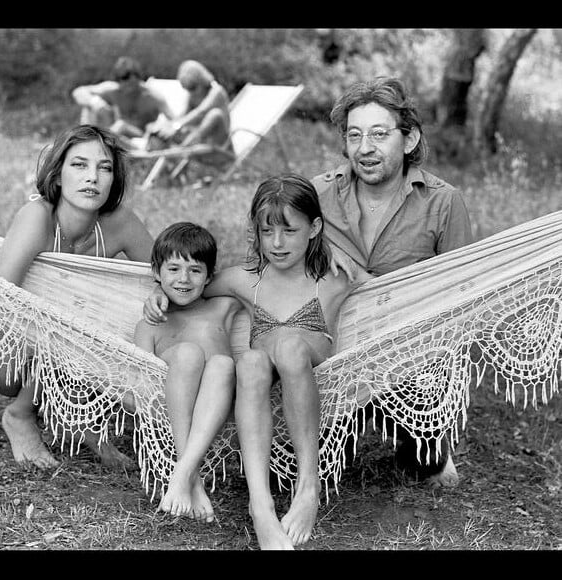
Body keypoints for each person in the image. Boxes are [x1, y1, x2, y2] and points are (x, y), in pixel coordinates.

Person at [144, 174, 368, 549]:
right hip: (261, 377)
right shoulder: (244, 280)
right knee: (248, 362)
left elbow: (392, 292)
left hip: (308, 367)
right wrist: (155, 292)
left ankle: (307, 488)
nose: (277, 243)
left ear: (314, 228)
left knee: (291, 349)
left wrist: (340, 254)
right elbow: (186, 286)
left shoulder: (333, 277)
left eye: (290, 231)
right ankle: (260, 505)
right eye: (267, 232)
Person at [312, 76, 474, 486]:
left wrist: (369, 283)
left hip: (411, 356)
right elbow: (267, 255)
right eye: (354, 135)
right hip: (333, 353)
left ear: (408, 139)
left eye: (379, 134)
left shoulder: (442, 201)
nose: (364, 148)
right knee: (316, 467)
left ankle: (422, 437)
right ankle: (335, 427)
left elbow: (463, 296)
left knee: (428, 471)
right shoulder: (317, 194)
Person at [0, 124, 155, 470]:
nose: (92, 177)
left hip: (65, 351)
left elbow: (161, 277)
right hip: (1, 351)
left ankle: (78, 420)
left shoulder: (120, 222)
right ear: (59, 175)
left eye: (104, 168)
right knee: (72, 310)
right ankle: (20, 414)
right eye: (79, 165)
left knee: (118, 312)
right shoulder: (37, 217)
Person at [133, 222, 243, 523]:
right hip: (172, 406)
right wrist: (157, 292)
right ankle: (190, 475)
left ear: (210, 276)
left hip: (219, 402)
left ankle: (181, 475)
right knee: (188, 353)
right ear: (156, 272)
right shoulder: (150, 325)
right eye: (173, 270)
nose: (184, 279)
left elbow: (260, 277)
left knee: (222, 364)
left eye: (195, 270)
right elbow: (140, 386)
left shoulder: (225, 306)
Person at [71, 56, 176, 148]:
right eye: (126, 85)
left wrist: (166, 127)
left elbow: (175, 120)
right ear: (119, 82)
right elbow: (79, 92)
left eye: (133, 84)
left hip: (142, 137)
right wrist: (96, 102)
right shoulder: (114, 90)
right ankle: (89, 140)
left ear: (138, 78)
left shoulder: (152, 96)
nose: (130, 89)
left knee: (121, 125)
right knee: (90, 107)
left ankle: (98, 143)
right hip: (118, 136)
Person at [148, 60, 231, 151]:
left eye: (192, 87)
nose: (191, 92)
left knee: (215, 114)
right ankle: (169, 148)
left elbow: (201, 112)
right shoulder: (192, 95)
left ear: (202, 80)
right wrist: (167, 126)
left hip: (219, 142)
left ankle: (183, 149)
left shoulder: (216, 92)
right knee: (161, 126)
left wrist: (176, 126)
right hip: (200, 139)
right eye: (187, 88)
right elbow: (183, 117)